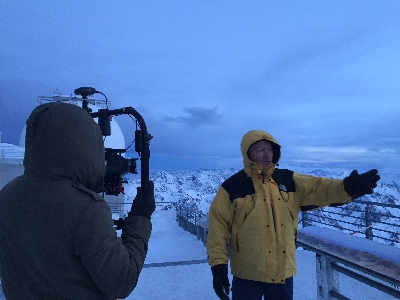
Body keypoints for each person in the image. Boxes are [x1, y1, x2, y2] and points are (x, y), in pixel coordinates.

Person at [0, 102, 155, 299]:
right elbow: (121, 281)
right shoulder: (85, 209)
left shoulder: (8, 195)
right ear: (86, 146)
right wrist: (140, 216)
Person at [206, 130, 380, 300]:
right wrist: (218, 267)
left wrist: (346, 189)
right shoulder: (233, 187)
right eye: (260, 150)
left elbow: (319, 188)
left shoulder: (288, 179)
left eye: (270, 149)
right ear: (248, 154)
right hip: (247, 273)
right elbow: (217, 228)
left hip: (283, 271)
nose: (267, 154)